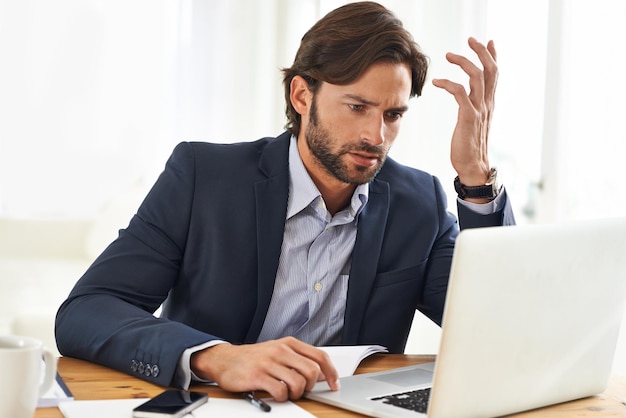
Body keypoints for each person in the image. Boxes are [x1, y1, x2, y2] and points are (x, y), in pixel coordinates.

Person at [55, 1, 515, 403]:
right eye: (357, 107)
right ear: (301, 94)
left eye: (392, 115)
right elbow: (87, 310)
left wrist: (475, 177)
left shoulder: (421, 203)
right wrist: (217, 358)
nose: (376, 137)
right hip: (223, 406)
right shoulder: (203, 177)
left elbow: (497, 328)